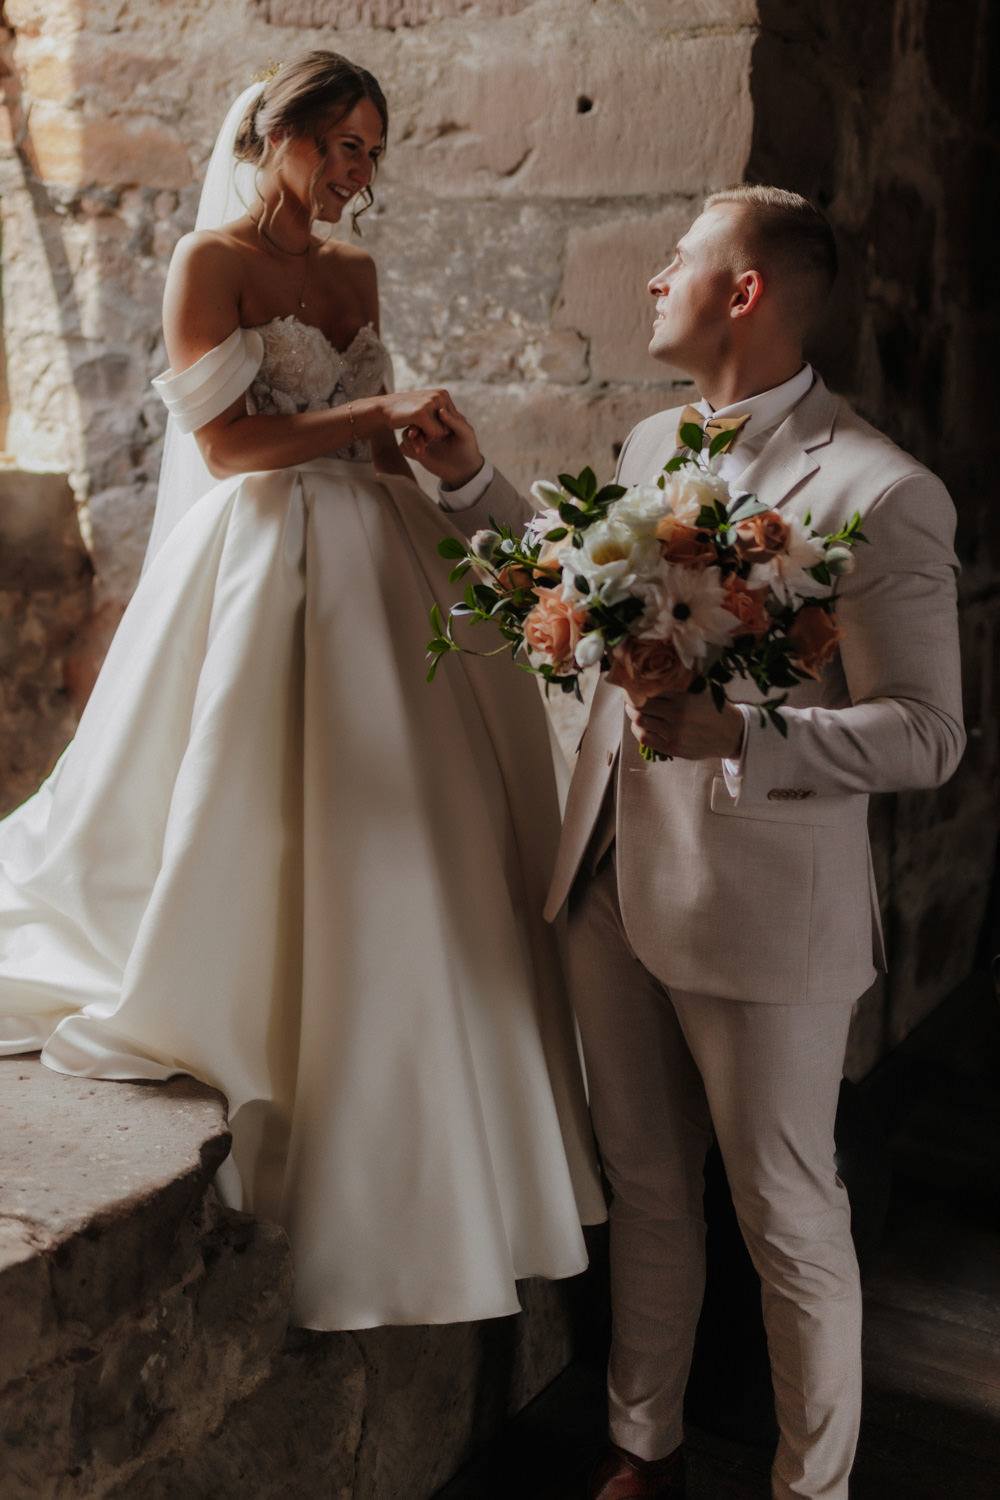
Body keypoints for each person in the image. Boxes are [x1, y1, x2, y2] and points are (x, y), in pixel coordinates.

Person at [0, 50, 605, 1332]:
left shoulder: (353, 272)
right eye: (340, 145)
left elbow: (372, 443)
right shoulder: (208, 262)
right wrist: (370, 407)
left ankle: (441, 1080)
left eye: (371, 152)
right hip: (262, 543)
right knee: (269, 783)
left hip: (375, 542)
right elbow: (229, 448)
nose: (355, 172)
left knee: (441, 798)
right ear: (276, 137)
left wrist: (419, 467)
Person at [405, 186, 965, 1499]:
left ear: (745, 290)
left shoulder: (880, 489)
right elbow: (581, 584)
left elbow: (929, 734)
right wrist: (470, 485)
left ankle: (810, 1489)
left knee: (785, 1211)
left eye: (681, 258)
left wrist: (740, 733)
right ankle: (638, 1446)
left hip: (760, 909)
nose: (656, 277)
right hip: (609, 866)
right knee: (646, 1184)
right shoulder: (658, 438)